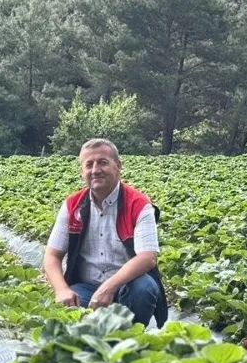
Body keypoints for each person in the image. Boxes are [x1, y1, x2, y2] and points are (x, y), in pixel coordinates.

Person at [43, 138, 168, 327]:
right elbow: (52, 255)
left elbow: (147, 258)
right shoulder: (72, 205)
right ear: (81, 171)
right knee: (69, 314)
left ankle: (130, 339)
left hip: (128, 287)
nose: (95, 170)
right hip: (86, 289)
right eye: (89, 165)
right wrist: (61, 290)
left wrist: (108, 287)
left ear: (118, 166)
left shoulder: (139, 204)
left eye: (102, 162)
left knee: (145, 288)